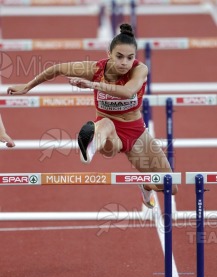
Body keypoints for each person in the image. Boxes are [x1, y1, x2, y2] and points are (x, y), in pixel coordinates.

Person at [7, 23, 178, 208]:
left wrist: (93, 85)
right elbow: (56, 69)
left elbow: (128, 91)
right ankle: (90, 144)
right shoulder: (95, 69)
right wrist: (27, 86)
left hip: (136, 133)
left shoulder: (139, 69)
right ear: (109, 54)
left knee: (170, 185)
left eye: (130, 58)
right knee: (106, 125)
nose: (124, 63)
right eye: (119, 57)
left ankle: (146, 184)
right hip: (109, 131)